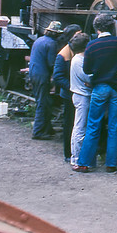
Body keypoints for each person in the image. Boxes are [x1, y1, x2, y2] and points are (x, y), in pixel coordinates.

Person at [74, 13, 117, 173]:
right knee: (114, 126)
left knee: (93, 125)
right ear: (112, 27)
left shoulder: (91, 45)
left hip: (99, 89)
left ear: (96, 28)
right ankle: (111, 163)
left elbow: (87, 69)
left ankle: (84, 163)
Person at [52, 24, 82, 161]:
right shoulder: (63, 55)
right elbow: (57, 77)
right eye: (78, 34)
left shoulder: (79, 50)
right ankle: (68, 154)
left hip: (78, 93)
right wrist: (71, 86)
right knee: (69, 123)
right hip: (69, 94)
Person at [30, 21, 63, 140]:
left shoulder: (39, 40)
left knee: (45, 101)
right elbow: (51, 63)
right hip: (42, 75)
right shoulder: (52, 44)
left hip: (34, 73)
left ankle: (47, 128)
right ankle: (38, 132)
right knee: (42, 102)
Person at [68, 32, 92, 169]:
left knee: (80, 127)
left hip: (81, 94)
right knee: (79, 128)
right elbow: (88, 79)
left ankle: (78, 157)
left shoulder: (78, 59)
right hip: (82, 96)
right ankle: (76, 159)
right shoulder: (79, 61)